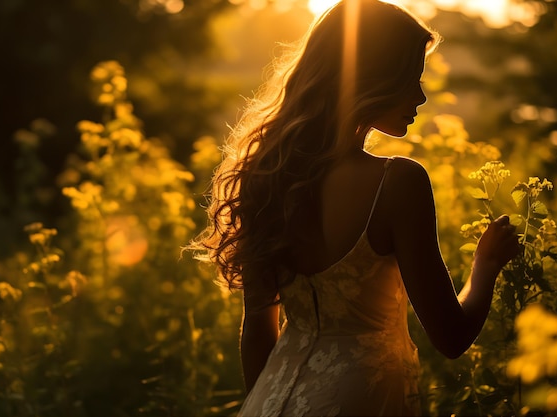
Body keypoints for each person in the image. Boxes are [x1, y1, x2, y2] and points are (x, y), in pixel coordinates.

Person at [189, 0, 520, 415]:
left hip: (269, 400)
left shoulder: (266, 177)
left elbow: (258, 331)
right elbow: (451, 337)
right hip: (361, 399)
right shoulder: (398, 183)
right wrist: (485, 265)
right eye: (408, 79)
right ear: (370, 77)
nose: (419, 96)